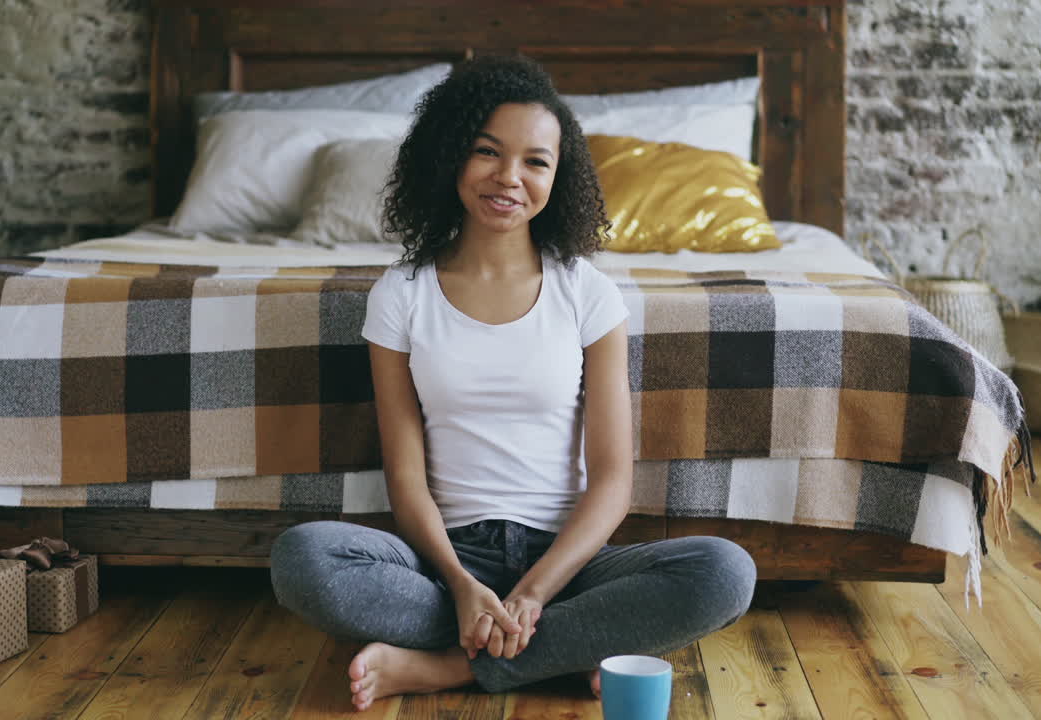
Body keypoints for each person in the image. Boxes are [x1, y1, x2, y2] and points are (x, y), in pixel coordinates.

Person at [270, 55, 756, 712]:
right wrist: (461, 583)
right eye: (487, 153)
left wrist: (533, 593)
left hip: (570, 567)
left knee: (726, 573)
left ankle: (453, 667)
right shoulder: (401, 294)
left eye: (536, 161)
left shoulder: (588, 294)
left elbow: (613, 479)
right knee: (302, 559)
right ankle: (562, 651)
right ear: (451, 156)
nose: (509, 178)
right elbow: (406, 478)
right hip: (447, 564)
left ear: (560, 176)